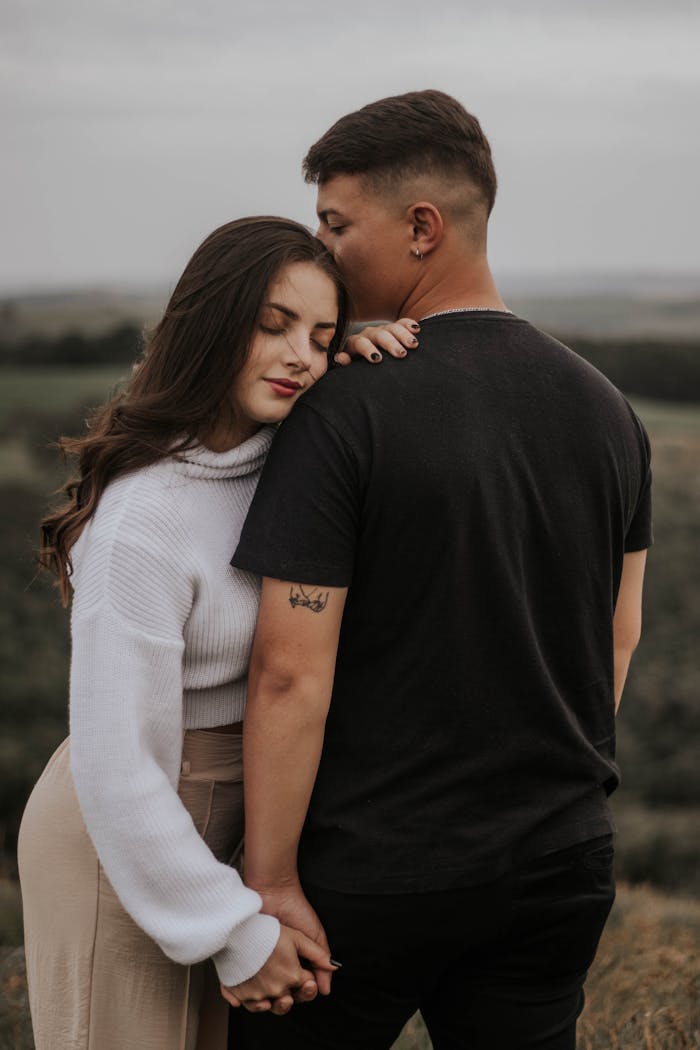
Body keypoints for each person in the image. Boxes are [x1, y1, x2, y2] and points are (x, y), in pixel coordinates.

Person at [226, 91, 652, 1049]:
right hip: (560, 861)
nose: (324, 249)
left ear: (422, 227)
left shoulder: (344, 413)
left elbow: (290, 673)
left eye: (337, 225)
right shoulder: (609, 410)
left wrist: (270, 883)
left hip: (372, 874)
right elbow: (617, 637)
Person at [17, 215, 417, 1050]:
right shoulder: (143, 520)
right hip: (128, 834)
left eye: (320, 334)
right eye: (272, 326)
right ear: (210, 322)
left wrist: (366, 366)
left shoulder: (286, 460)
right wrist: (232, 930)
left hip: (230, 826)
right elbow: (118, 763)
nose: (300, 356)